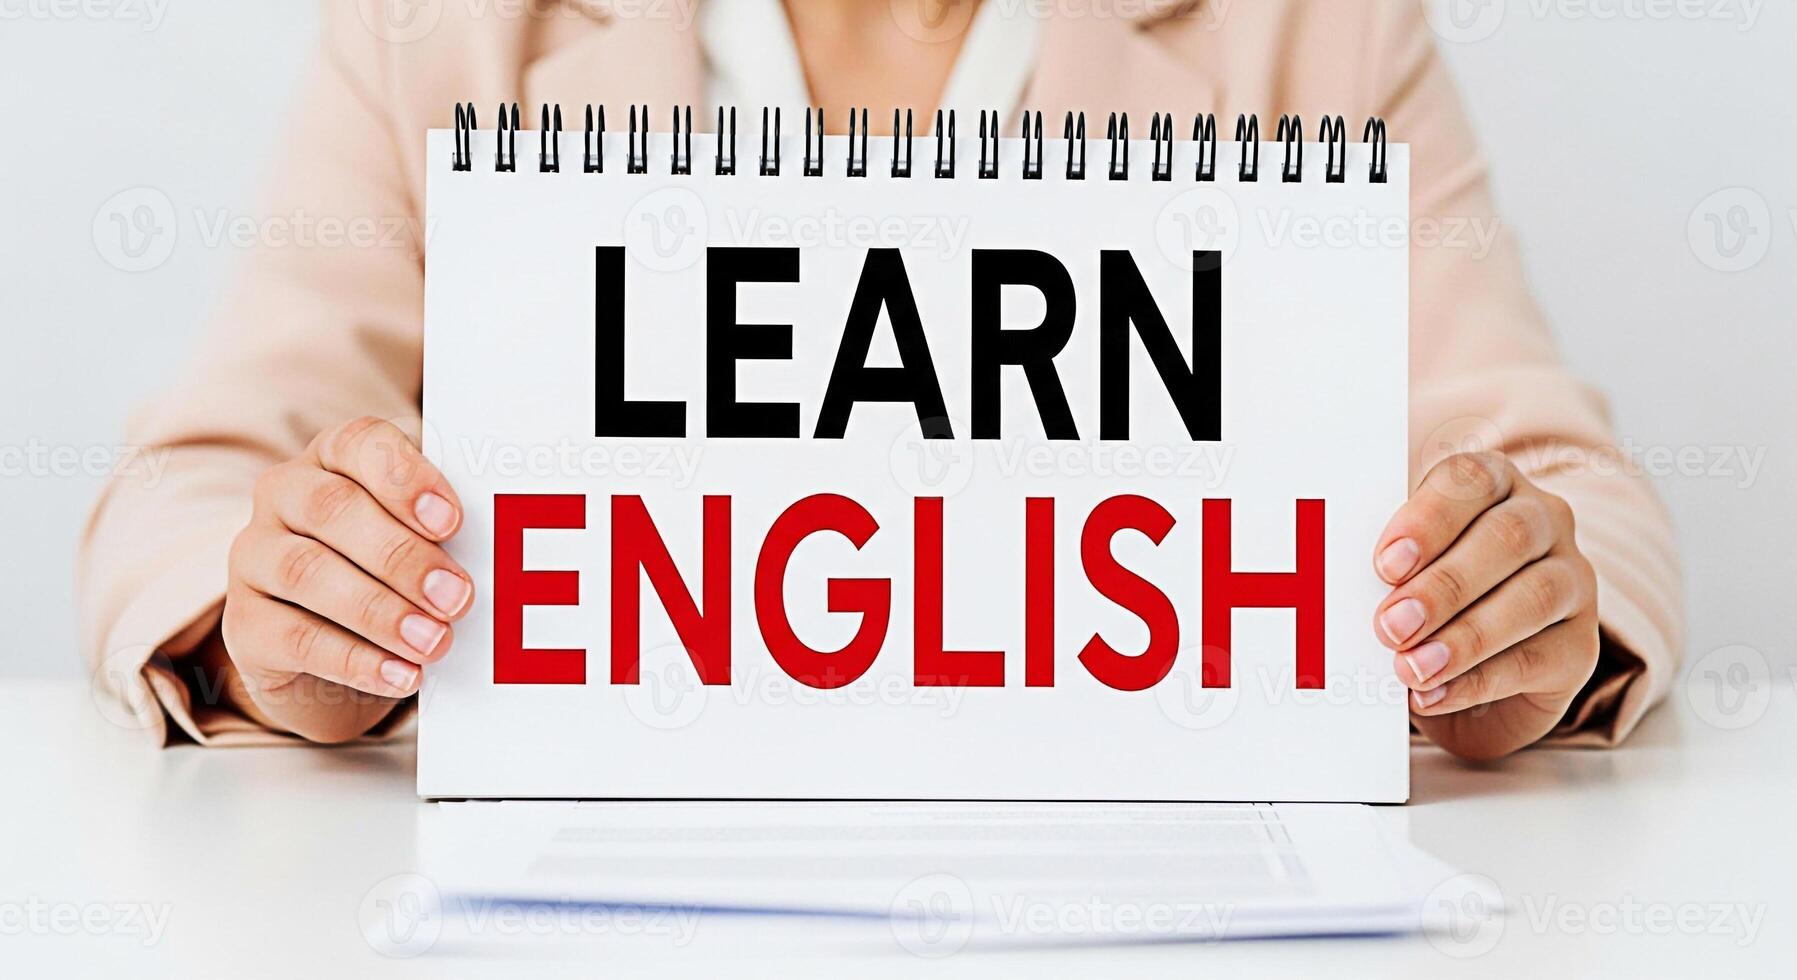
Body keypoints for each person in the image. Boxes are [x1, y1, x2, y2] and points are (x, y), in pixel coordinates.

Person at [79, 0, 1682, 759]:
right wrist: (276, 628)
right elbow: (192, 484)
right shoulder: (441, 31)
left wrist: (1524, 618)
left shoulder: (1314, 34)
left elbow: (1559, 487)